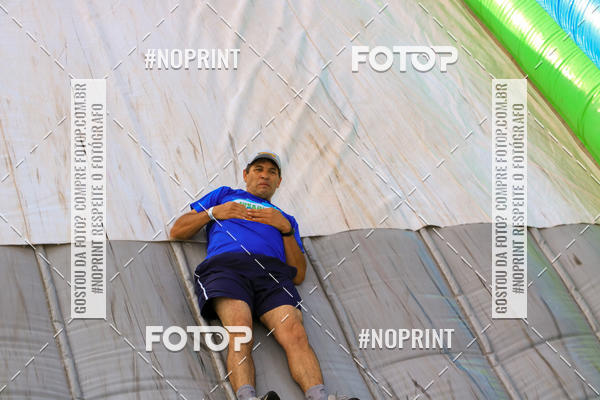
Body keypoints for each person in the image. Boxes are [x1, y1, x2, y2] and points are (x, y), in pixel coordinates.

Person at [170, 151, 358, 400]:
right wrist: (215, 212)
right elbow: (177, 230)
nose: (265, 176)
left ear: (279, 182)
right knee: (240, 329)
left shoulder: (285, 219)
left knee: (295, 332)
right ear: (245, 174)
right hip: (228, 266)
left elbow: (299, 274)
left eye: (272, 172)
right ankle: (247, 397)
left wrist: (286, 229)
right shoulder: (225, 195)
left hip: (272, 274)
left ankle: (319, 397)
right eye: (258, 169)